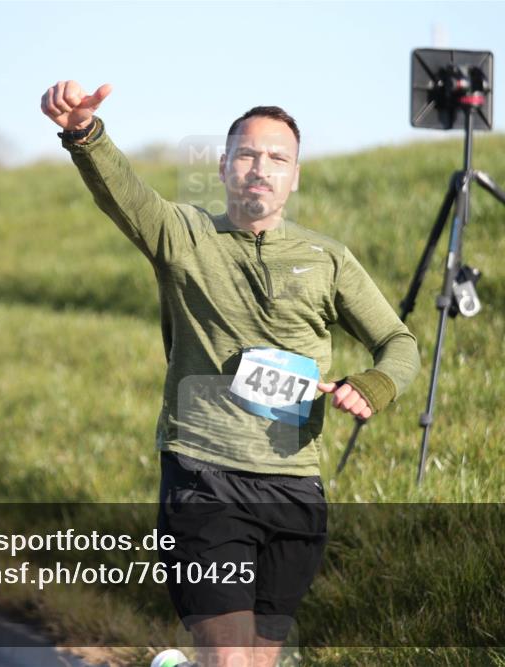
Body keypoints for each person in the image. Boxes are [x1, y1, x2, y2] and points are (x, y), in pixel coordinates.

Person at [41, 80, 420, 667]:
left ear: (295, 176)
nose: (260, 169)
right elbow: (124, 194)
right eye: (246, 154)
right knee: (230, 660)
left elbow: (399, 343)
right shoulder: (182, 236)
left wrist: (373, 386)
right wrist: (84, 134)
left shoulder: (327, 259)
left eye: (277, 159)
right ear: (222, 167)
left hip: (294, 485)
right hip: (204, 477)